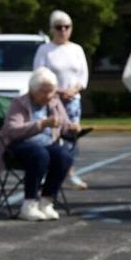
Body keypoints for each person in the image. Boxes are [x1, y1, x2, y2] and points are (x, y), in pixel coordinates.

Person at [0, 67, 76, 222]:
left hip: (47, 144)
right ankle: (29, 204)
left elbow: (64, 125)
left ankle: (46, 201)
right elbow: (12, 131)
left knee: (64, 156)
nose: (49, 96)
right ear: (33, 90)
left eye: (51, 91)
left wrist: (72, 128)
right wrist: (41, 124)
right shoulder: (19, 103)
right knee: (39, 154)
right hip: (18, 146)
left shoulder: (55, 102)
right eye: (44, 92)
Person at [32, 10, 89, 189]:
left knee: (71, 136)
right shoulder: (45, 49)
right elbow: (39, 75)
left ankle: (69, 172)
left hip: (73, 101)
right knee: (50, 136)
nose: (63, 30)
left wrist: (74, 89)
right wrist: (58, 91)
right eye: (59, 27)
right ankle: (47, 173)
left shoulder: (77, 49)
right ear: (52, 29)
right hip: (51, 100)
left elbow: (83, 75)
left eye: (66, 27)